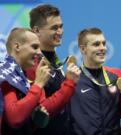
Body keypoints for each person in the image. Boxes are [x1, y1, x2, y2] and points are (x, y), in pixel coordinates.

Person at [68, 27, 121, 135]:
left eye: (104, 43)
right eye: (96, 44)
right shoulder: (72, 80)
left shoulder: (115, 77)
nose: (102, 48)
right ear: (82, 49)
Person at [25, 4, 81, 135]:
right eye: (54, 28)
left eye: (61, 26)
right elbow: (41, 112)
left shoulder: (56, 62)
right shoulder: (32, 65)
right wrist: (70, 84)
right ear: (36, 31)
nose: (60, 32)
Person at [0, 28, 50, 135]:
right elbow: (15, 119)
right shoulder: (4, 72)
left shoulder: (22, 77)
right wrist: (38, 84)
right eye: (35, 47)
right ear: (17, 47)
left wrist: (34, 121)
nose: (40, 53)